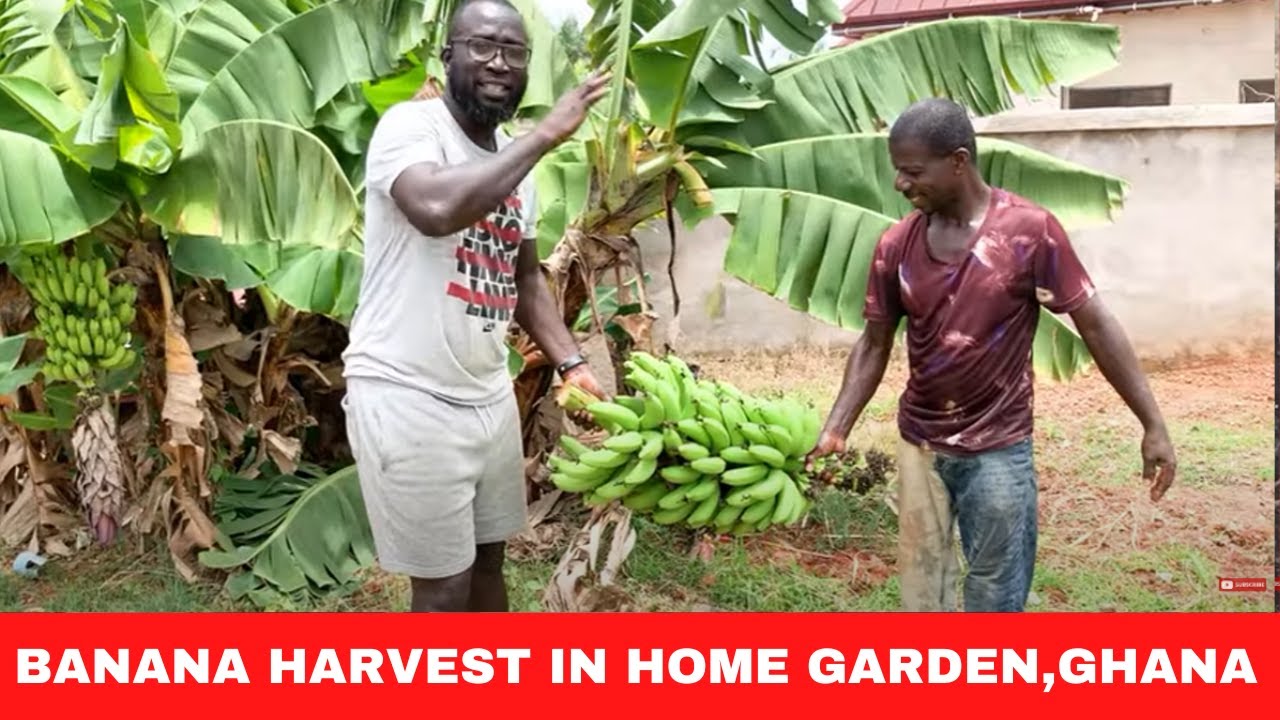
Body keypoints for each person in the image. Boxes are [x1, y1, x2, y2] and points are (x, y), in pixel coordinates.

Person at [807, 98, 1177, 612]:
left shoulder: (1029, 232)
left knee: (995, 597)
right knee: (923, 595)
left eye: (913, 171)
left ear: (958, 161)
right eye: (898, 170)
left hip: (998, 451)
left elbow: (1094, 323)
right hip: (920, 445)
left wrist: (1152, 423)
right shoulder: (896, 245)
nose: (900, 183)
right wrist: (837, 427)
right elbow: (874, 342)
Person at [341, 0, 610, 612]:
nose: (498, 63)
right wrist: (545, 136)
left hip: (487, 396)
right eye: (482, 46)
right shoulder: (411, 129)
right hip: (408, 392)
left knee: (490, 562)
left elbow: (524, 277)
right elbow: (435, 210)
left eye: (514, 51)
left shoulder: (518, 162)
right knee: (443, 587)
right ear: (449, 55)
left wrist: (572, 364)